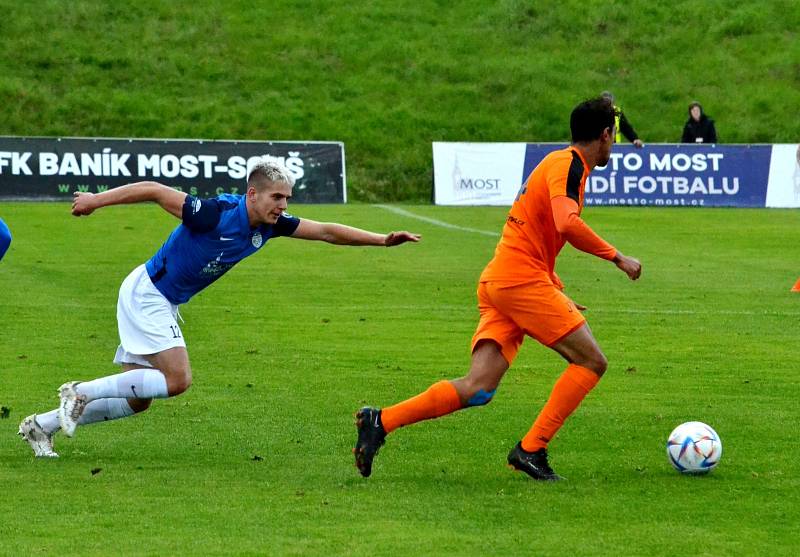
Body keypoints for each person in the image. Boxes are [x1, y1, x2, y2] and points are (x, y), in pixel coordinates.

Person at [18, 159, 420, 458]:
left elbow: (327, 232)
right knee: (177, 380)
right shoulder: (213, 214)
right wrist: (94, 201)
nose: (282, 205)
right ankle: (80, 393)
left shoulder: (270, 226)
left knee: (138, 400)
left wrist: (382, 240)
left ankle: (42, 426)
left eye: (286, 199)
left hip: (160, 298)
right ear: (252, 194)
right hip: (149, 294)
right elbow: (156, 189)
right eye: (276, 197)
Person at [353, 97, 642, 481]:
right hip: (518, 281)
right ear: (605, 135)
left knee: (479, 388)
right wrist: (617, 257)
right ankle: (531, 449)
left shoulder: (561, 164)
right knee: (592, 362)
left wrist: (554, 287)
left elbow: (533, 230)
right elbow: (566, 223)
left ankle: (380, 421)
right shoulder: (568, 164)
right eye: (614, 136)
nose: (614, 144)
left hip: (503, 280)